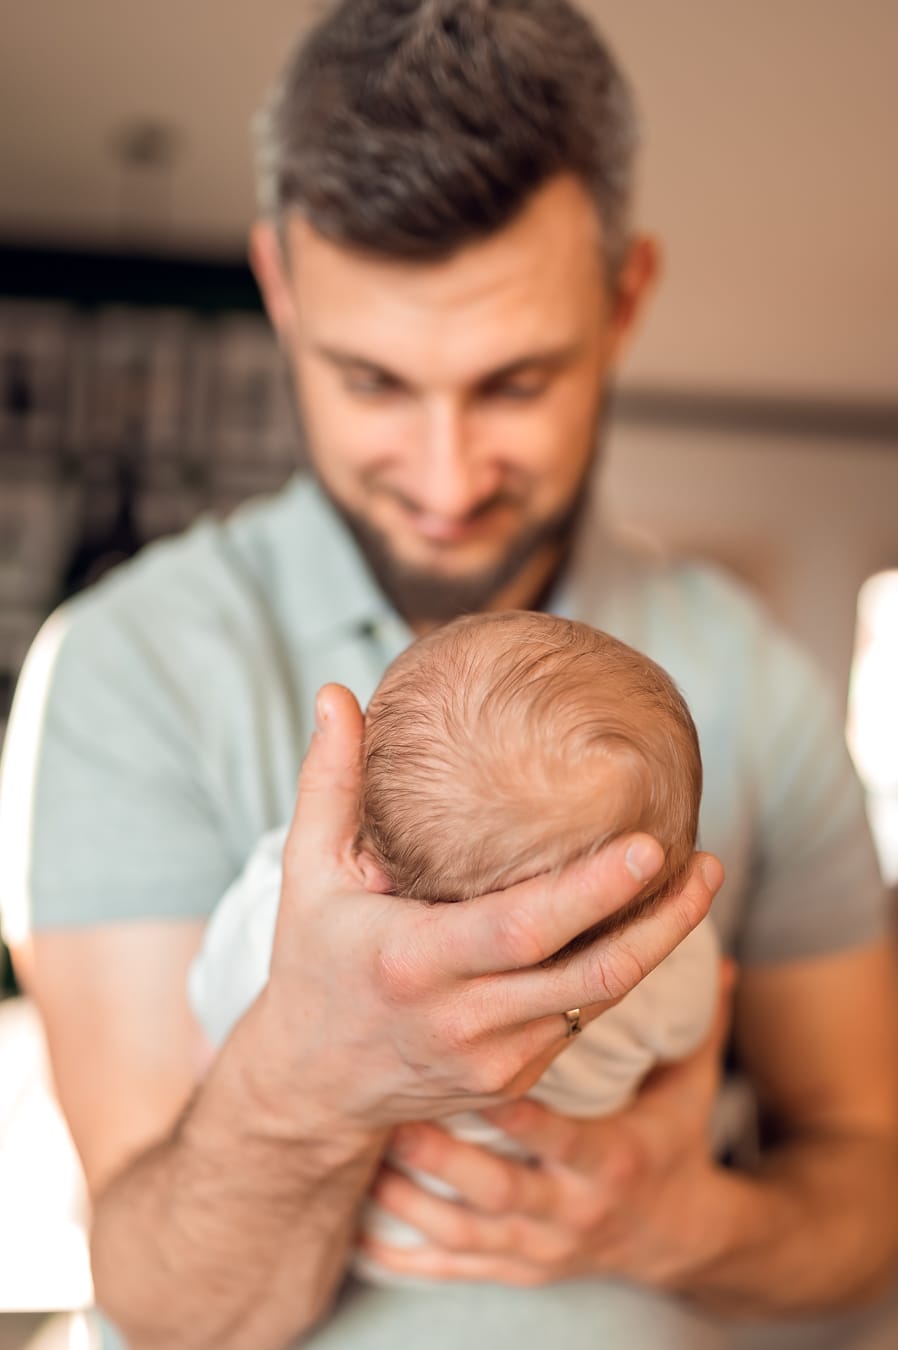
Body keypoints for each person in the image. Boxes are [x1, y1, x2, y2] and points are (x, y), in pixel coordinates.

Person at [0, 2, 896, 1347]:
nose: (443, 474)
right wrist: (303, 1077)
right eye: (371, 380)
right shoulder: (127, 668)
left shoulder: (750, 679)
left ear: (625, 298)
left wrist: (679, 1219)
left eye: (514, 381)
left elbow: (866, 1177)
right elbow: (160, 1299)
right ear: (282, 288)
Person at [186, 611, 720, 1286]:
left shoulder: (279, 926)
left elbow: (208, 992)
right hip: (533, 1236)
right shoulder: (660, 967)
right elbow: (691, 1032)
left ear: (360, 849)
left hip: (363, 1239)